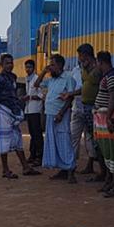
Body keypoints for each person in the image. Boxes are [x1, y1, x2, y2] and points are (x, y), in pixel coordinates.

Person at [0, 54, 39, 179]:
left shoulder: (13, 77)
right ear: (1, 65)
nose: (9, 65)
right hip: (4, 111)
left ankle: (25, 167)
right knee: (4, 141)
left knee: (17, 139)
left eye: (11, 63)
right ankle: (5, 170)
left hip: (13, 111)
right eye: (6, 63)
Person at [68, 43, 106, 182]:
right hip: (83, 106)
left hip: (93, 108)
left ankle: (103, 171)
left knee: (96, 141)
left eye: (81, 56)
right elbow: (85, 86)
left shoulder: (96, 70)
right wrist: (71, 93)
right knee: (89, 138)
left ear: (87, 55)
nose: (79, 58)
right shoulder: (83, 69)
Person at [36, 54, 77, 183]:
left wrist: (61, 113)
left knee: (64, 140)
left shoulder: (68, 78)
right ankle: (62, 169)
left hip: (61, 115)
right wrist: (44, 71)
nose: (50, 67)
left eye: (52, 65)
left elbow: (70, 98)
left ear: (60, 65)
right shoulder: (51, 79)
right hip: (50, 114)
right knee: (54, 142)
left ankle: (71, 170)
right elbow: (37, 84)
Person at [93, 51, 114, 197]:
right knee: (107, 152)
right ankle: (110, 183)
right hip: (105, 116)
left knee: (113, 152)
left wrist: (108, 118)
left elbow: (112, 97)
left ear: (101, 62)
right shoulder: (109, 76)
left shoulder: (112, 77)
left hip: (111, 117)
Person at [22, 60, 44, 166]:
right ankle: (32, 155)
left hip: (35, 110)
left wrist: (30, 97)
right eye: (26, 67)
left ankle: (39, 156)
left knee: (37, 134)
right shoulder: (27, 79)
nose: (27, 69)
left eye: (29, 67)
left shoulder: (37, 79)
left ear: (34, 68)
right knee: (32, 134)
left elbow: (41, 95)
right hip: (29, 110)